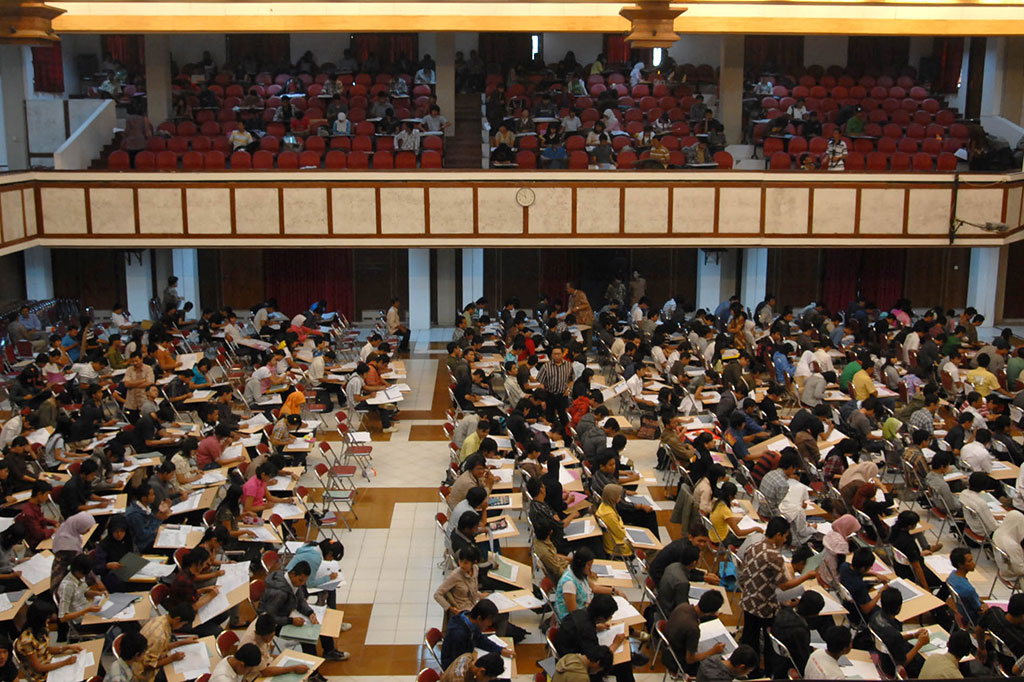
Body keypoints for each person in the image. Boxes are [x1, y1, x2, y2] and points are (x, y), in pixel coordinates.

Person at [737, 517, 817, 669]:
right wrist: (806, 576)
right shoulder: (774, 556)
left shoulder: (754, 546)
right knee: (769, 642)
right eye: (786, 536)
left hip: (748, 599)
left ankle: (748, 668)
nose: (786, 539)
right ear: (778, 535)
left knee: (749, 635)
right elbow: (785, 585)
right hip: (764, 607)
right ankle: (768, 671)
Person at [258, 560, 347, 660]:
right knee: (308, 637)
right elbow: (269, 618)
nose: (302, 584)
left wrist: (310, 613)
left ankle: (329, 651)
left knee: (320, 622)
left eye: (305, 581)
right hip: (274, 624)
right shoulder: (279, 593)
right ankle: (313, 673)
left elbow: (300, 601)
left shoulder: (293, 582)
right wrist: (291, 621)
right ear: (293, 574)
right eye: (301, 580)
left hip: (288, 613)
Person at [15, 601, 81, 682]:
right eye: (47, 617)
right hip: (41, 675)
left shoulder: (42, 629)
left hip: (50, 662)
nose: (49, 620)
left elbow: (46, 649)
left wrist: (67, 647)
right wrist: (65, 662)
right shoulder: (26, 641)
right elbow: (38, 668)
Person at [664, 590, 727, 675]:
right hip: (678, 661)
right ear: (711, 612)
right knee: (717, 666)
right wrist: (713, 651)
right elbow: (690, 660)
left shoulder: (683, 606)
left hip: (668, 651)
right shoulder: (693, 629)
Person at [438, 598, 513, 669]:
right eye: (489, 621)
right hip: (453, 668)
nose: (490, 624)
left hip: (466, 657)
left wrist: (500, 650)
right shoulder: (458, 635)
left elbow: (480, 639)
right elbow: (459, 664)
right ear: (479, 618)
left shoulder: (469, 620)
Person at [947, 547, 984, 624]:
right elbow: (980, 611)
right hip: (974, 619)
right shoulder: (969, 590)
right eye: (969, 561)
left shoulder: (952, 576)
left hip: (963, 612)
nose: (973, 563)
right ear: (960, 565)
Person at [992, 509, 1024, 581]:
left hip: (1004, 568)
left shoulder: (998, 532)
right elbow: (1020, 570)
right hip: (1013, 575)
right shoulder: (1012, 545)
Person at [441, 651, 506, 682]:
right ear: (482, 671)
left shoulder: (468, 656)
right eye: (488, 679)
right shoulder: (458, 679)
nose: (487, 681)